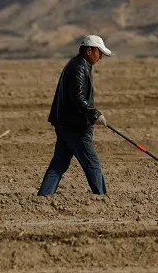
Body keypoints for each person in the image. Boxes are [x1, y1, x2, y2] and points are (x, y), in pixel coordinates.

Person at [37, 34, 112, 196]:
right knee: (92, 164)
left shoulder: (78, 64)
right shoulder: (79, 67)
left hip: (65, 124)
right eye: (99, 53)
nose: (101, 58)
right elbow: (77, 98)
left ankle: (43, 197)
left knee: (59, 164)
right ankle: (103, 198)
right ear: (89, 51)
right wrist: (94, 114)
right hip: (75, 126)